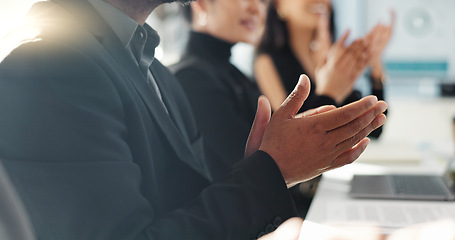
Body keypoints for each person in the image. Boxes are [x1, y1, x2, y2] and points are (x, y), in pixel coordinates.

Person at [0, 0, 387, 239]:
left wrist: (260, 168)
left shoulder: (156, 72)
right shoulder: (50, 68)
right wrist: (270, 170)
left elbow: (187, 207)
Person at [255, 0, 394, 139]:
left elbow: (373, 130)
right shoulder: (266, 62)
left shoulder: (330, 58)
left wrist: (375, 64)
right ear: (279, 4)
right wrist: (330, 87)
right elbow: (299, 137)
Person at [170, 0, 267, 179]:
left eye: (262, 1)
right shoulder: (192, 78)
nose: (256, 9)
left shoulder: (230, 72)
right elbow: (252, 173)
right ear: (200, 3)